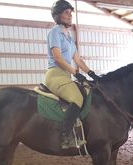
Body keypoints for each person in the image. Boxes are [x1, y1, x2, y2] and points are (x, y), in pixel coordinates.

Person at [45, 0, 100, 149]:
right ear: (58, 15)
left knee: (87, 92)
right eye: (66, 13)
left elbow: (78, 59)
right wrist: (76, 74)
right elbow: (58, 58)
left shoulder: (69, 36)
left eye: (70, 13)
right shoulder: (55, 32)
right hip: (55, 75)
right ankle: (66, 136)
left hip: (66, 75)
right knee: (76, 97)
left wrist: (91, 73)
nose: (70, 16)